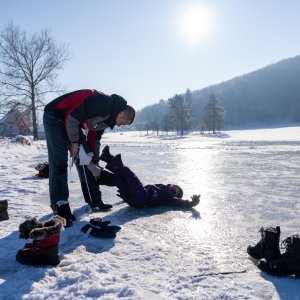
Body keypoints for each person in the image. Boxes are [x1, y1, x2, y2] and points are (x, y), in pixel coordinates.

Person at [43, 89, 135, 226]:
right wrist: (73, 142)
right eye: (122, 122)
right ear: (121, 113)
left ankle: (94, 200)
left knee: (87, 161)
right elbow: (72, 117)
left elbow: (94, 139)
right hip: (55, 116)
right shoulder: (103, 103)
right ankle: (60, 207)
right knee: (60, 162)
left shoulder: (108, 119)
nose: (118, 125)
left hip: (71, 123)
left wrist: (95, 161)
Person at [96, 146, 200, 208]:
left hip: (142, 196)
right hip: (135, 201)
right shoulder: (163, 191)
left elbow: (177, 202)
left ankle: (108, 158)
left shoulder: (169, 195)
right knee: (120, 181)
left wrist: (191, 203)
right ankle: (99, 176)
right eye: (175, 186)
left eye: (176, 189)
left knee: (128, 174)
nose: (173, 187)